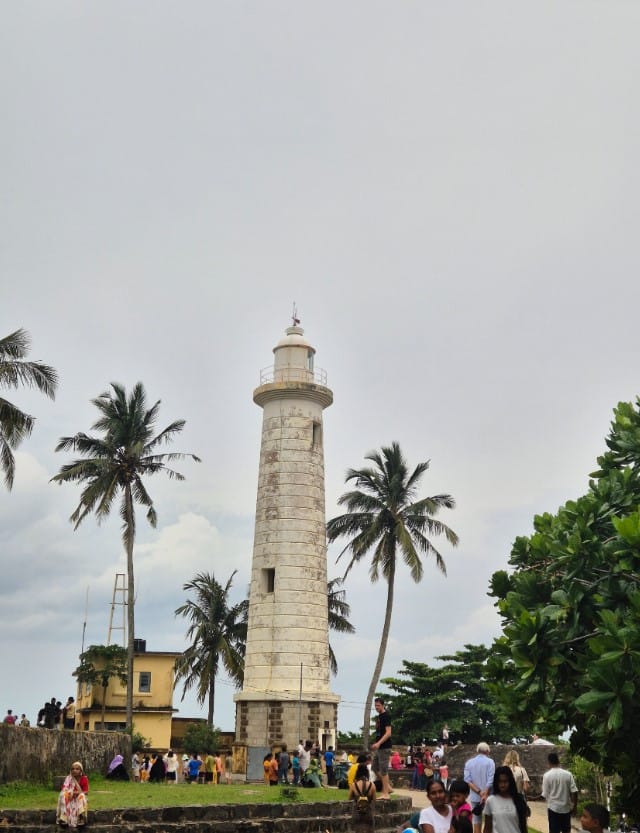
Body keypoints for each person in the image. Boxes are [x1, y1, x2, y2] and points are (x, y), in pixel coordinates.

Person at [483, 766, 528, 833]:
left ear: (510, 782)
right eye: (500, 781)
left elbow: (523, 826)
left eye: (505, 781)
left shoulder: (518, 800)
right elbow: (487, 828)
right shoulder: (490, 800)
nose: (502, 785)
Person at [541, 752, 578, 833]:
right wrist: (574, 807)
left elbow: (544, 795)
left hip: (553, 809)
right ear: (558, 761)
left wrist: (533, 798)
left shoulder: (547, 775)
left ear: (549, 762)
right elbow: (574, 791)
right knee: (566, 831)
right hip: (566, 809)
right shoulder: (568, 774)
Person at [464, 742, 496, 833]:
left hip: (475, 795)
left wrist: (479, 792)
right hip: (488, 796)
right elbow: (491, 779)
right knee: (488, 821)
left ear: (478, 751)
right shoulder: (490, 762)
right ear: (487, 751)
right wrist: (485, 793)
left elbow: (467, 780)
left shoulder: (469, 763)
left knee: (476, 820)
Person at [371, 696, 392, 799]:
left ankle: (386, 793)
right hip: (379, 747)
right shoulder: (379, 717)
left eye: (378, 705)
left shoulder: (386, 716)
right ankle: (388, 787)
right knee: (374, 768)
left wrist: (379, 743)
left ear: (383, 705)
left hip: (385, 747)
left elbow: (388, 733)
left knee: (384, 771)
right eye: (375, 705)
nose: (376, 707)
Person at [56, 761, 89, 828]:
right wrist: (69, 793)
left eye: (77, 769)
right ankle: (64, 819)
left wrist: (75, 793)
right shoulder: (68, 779)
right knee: (63, 795)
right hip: (70, 799)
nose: (74, 770)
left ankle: (81, 818)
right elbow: (64, 789)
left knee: (82, 796)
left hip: (78, 798)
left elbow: (86, 792)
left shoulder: (84, 778)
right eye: (73, 769)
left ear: (81, 771)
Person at [349, 762, 376, 833]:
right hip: (368, 812)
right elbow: (374, 800)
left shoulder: (354, 785)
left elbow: (349, 798)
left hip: (357, 812)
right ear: (367, 772)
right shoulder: (372, 785)